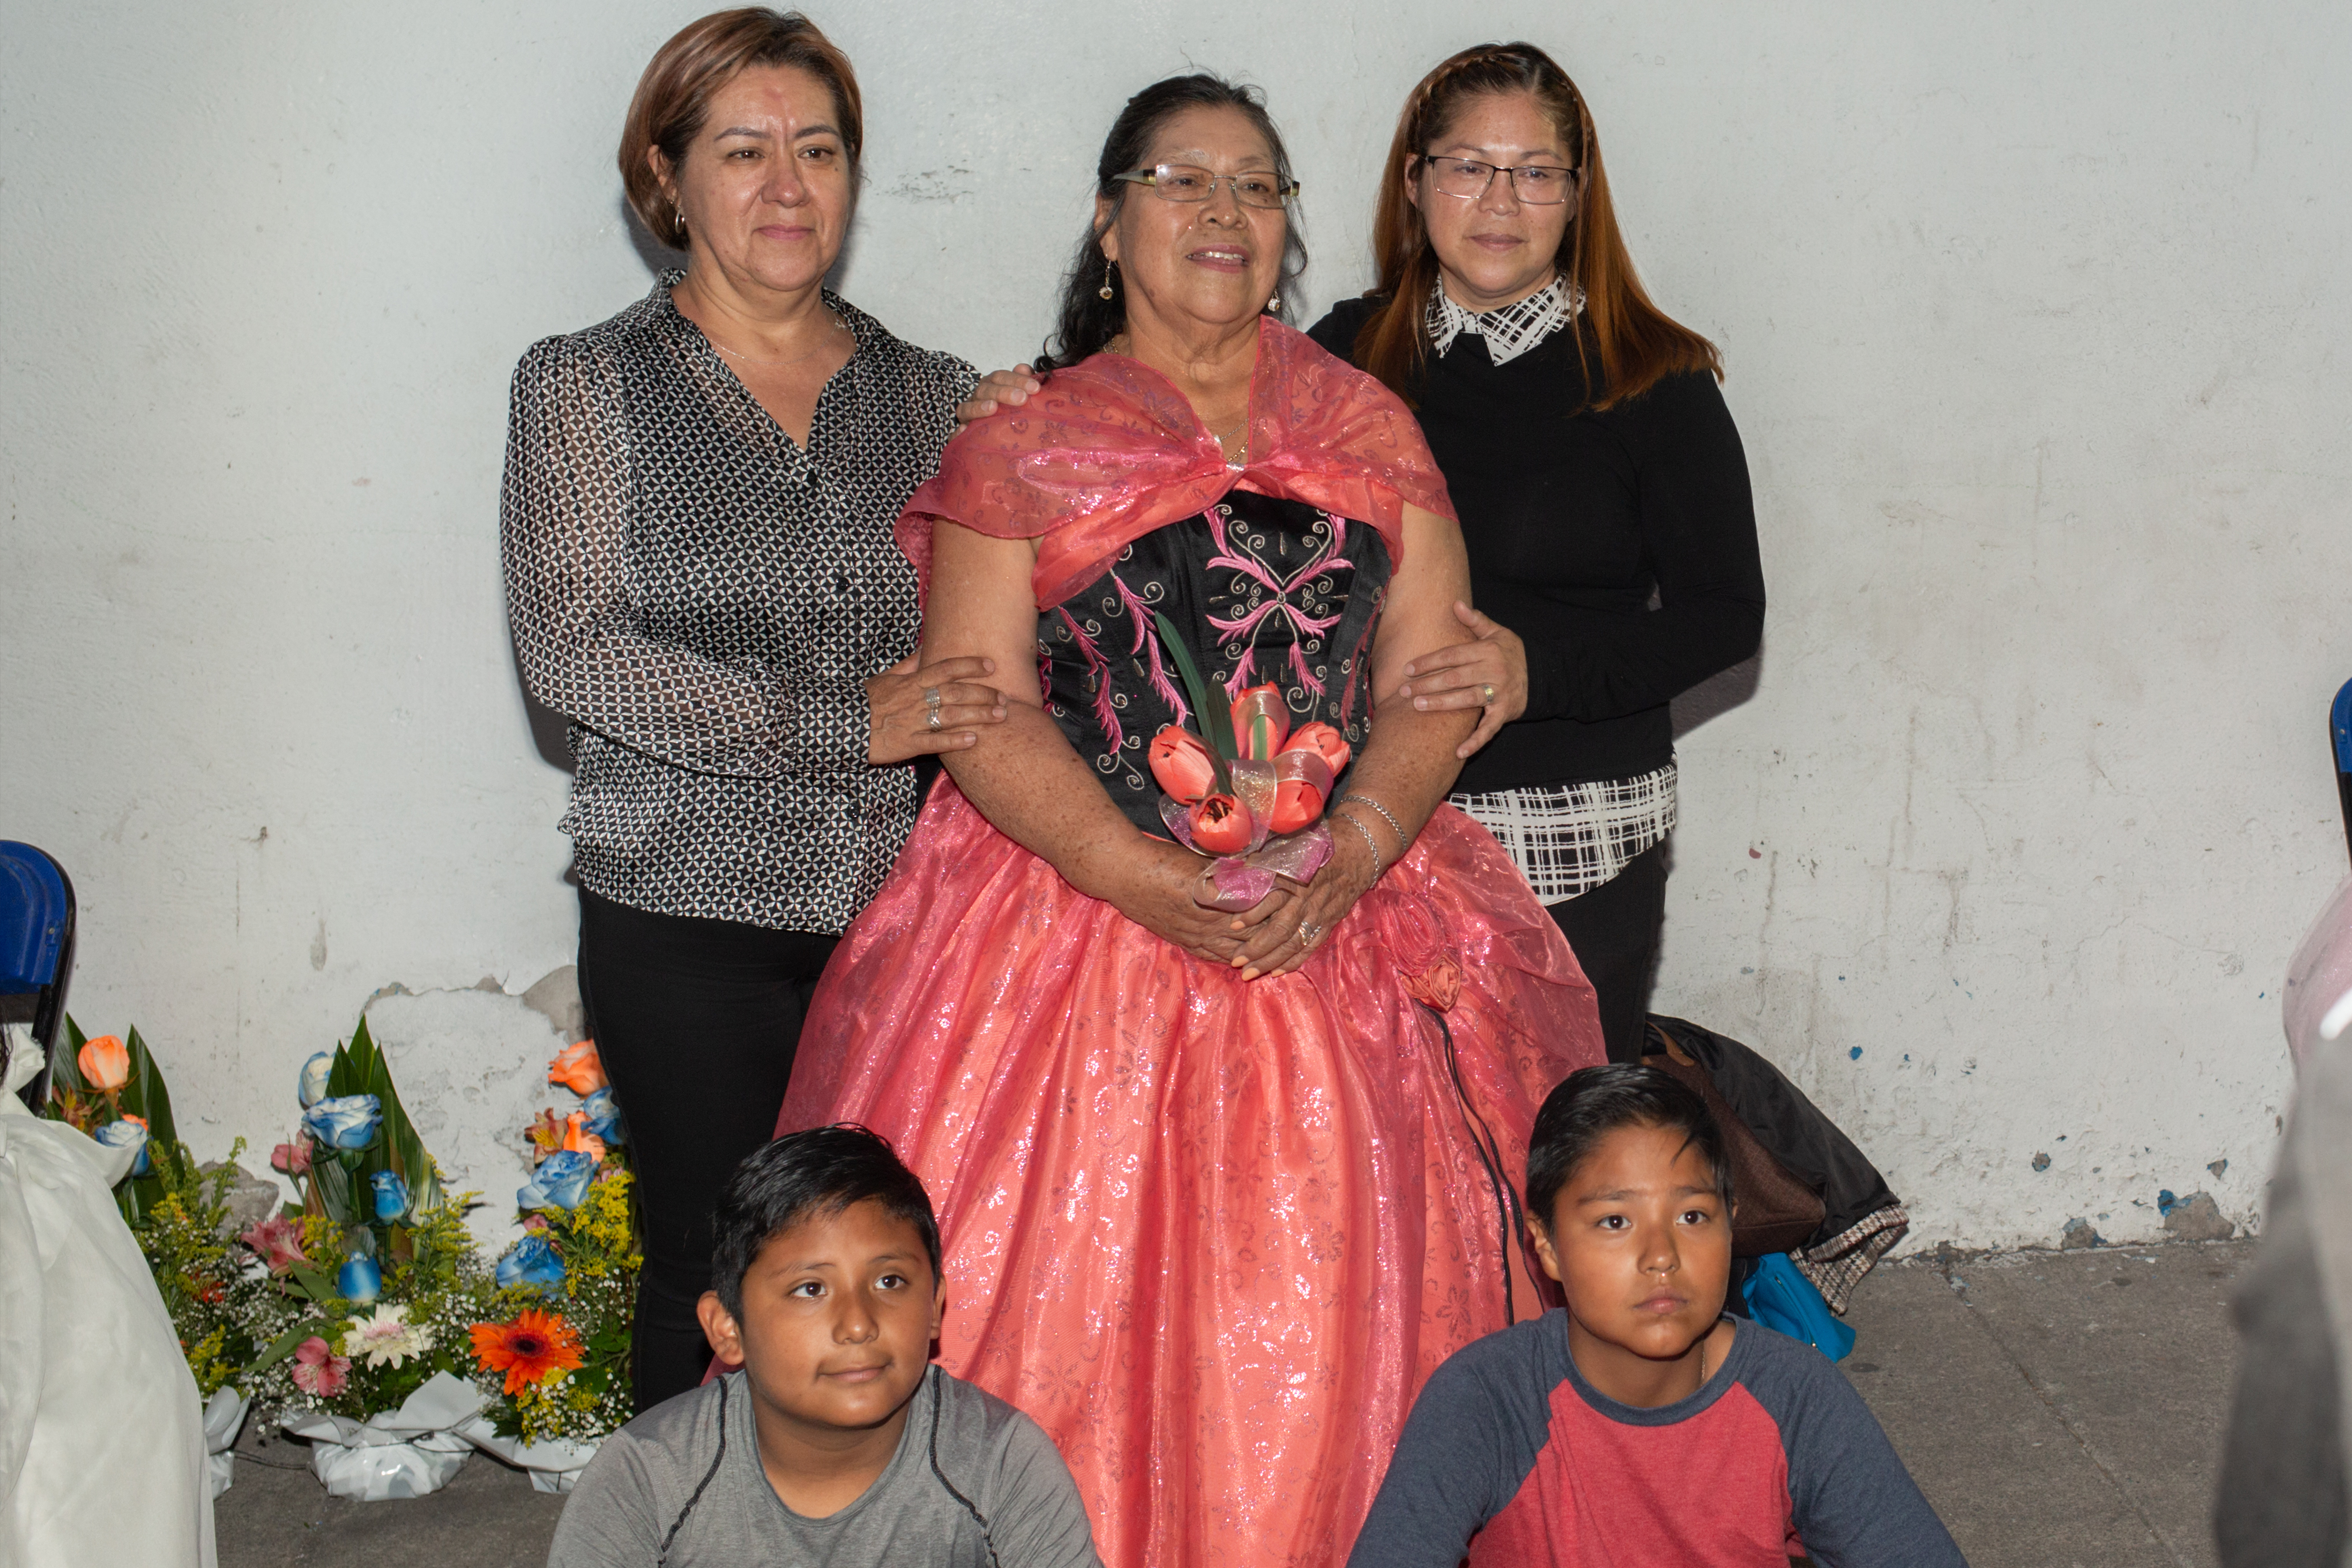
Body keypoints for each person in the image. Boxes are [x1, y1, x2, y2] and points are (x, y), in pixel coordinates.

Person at [777, 73, 1604, 1567]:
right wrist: (1131, 871)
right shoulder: (1023, 439)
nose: (1220, 213)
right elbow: (974, 700)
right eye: (1178, 181)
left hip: (1342, 924)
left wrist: (1349, 848)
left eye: (1255, 186)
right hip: (1069, 926)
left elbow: (1433, 674)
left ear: (1286, 228)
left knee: (1339, 1293)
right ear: (1109, 222)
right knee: (1064, 1301)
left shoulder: (1366, 419)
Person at [967, 43, 1762, 1063]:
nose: (1499, 201)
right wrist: (1031, 397)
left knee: (1561, 1135)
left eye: (1534, 174)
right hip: (1360, 828)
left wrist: (1537, 669)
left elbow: (1723, 616)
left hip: (1570, 822)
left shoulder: (1652, 377)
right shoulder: (1342, 361)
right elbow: (1171, 423)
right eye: (1468, 166)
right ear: (1414, 182)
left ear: (1575, 197)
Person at [500, 8, 1006, 1410]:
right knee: (712, 1271)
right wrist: (843, 723)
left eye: (818, 148)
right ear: (665, 181)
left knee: (889, 1268)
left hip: (905, 917)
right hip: (684, 913)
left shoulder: (938, 399)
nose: (787, 184)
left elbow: (1002, 643)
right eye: (741, 150)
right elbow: (573, 652)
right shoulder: (582, 385)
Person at [1347, 1065, 1963, 1567]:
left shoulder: (1794, 1397)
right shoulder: (1488, 1400)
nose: (1662, 1257)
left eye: (1692, 1217)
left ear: (1731, 1224)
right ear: (1547, 1246)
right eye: (1615, 1222)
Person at [547, 1125, 1104, 1567]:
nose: (858, 1324)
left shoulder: (999, 1461)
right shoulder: (648, 1476)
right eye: (810, 1289)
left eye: (890, 1281)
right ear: (727, 1329)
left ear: (936, 1307)